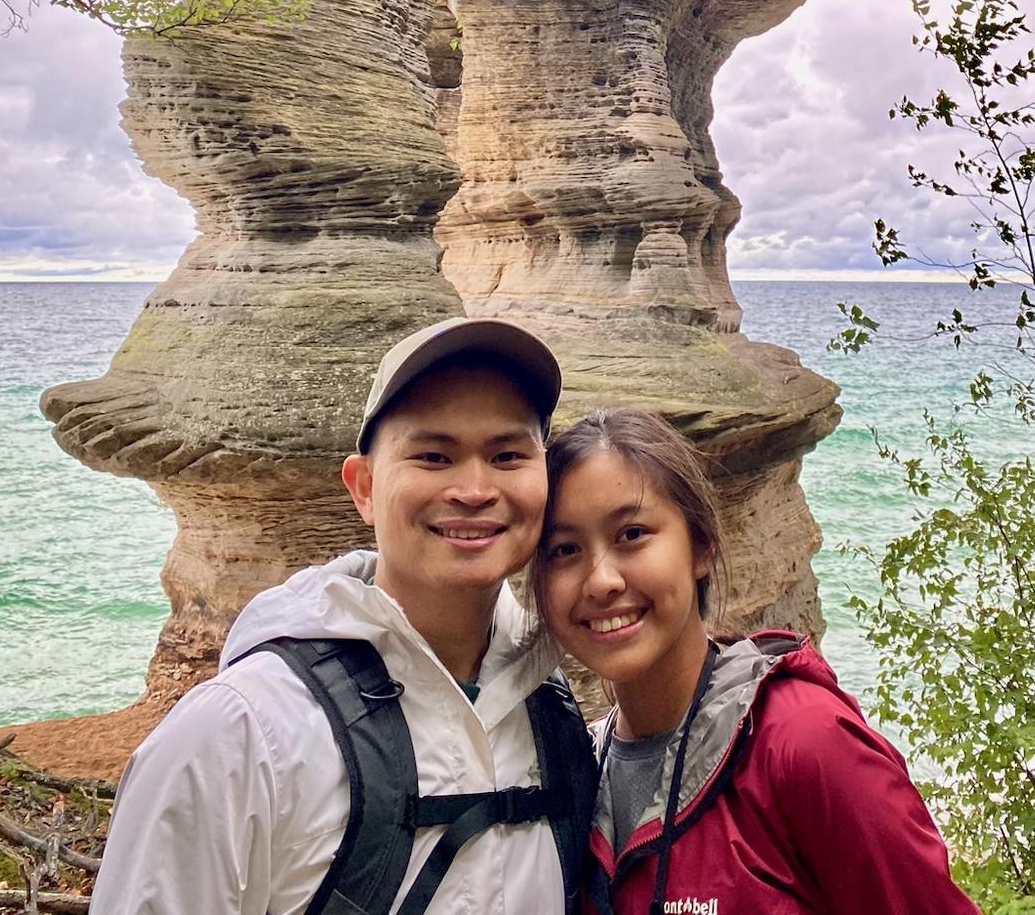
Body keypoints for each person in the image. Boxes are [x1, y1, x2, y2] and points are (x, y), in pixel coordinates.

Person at [92, 318, 593, 915]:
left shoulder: (550, 703)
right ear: (363, 488)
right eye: (433, 456)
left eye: (508, 455)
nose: (474, 488)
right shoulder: (238, 732)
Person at [537, 407, 981, 915]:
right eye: (564, 549)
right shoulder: (579, 771)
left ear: (701, 546)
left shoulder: (803, 742)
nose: (601, 580)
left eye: (632, 534)